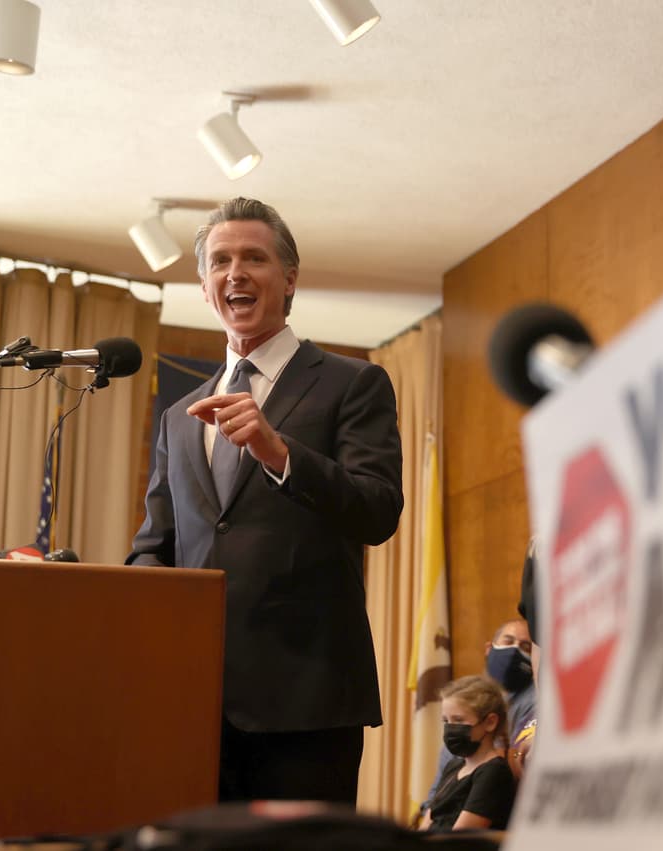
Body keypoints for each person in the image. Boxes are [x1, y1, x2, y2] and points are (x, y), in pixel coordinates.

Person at [127, 197, 404, 805]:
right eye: (221, 261)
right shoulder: (178, 416)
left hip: (307, 701)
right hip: (194, 701)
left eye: (255, 258)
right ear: (204, 288)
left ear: (290, 279)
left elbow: (378, 510)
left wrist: (281, 454)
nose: (236, 273)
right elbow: (157, 546)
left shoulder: (352, 383)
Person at [418, 618, 535, 815]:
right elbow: (439, 790)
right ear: (489, 649)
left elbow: (521, 759)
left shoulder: (537, 699)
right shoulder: (463, 706)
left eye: (525, 647)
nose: (514, 651)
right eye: (508, 641)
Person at [422, 676, 517, 832]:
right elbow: (426, 824)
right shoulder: (454, 766)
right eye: (446, 721)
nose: (450, 728)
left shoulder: (493, 772)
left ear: (490, 722)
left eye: (458, 720)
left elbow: (460, 840)